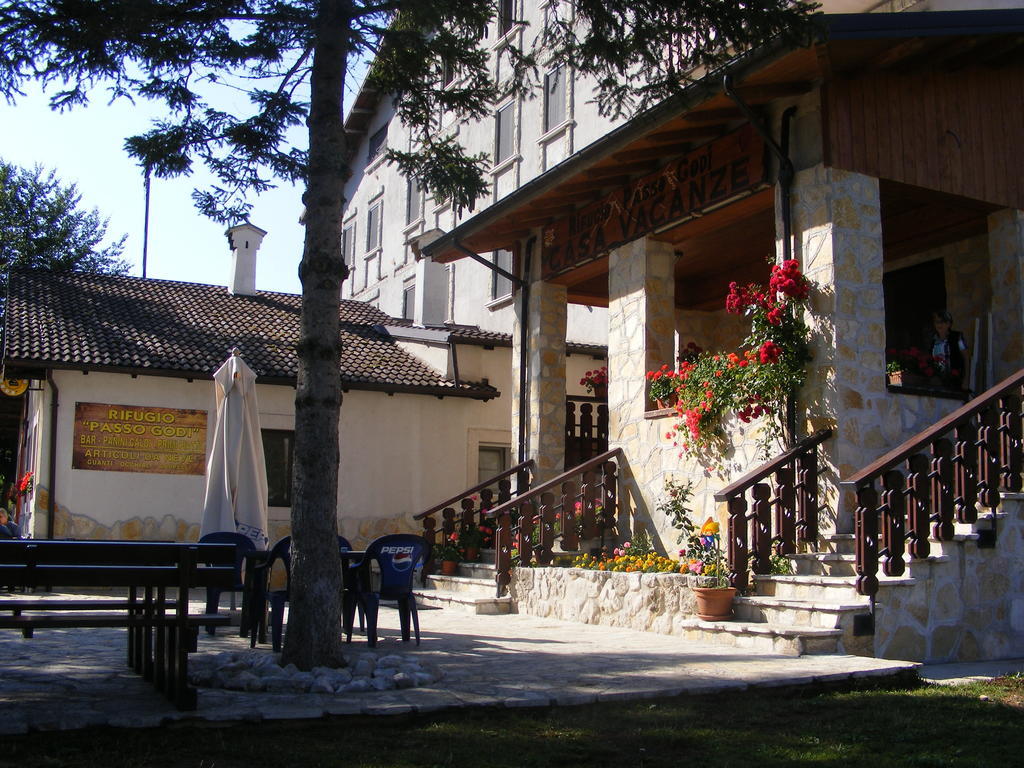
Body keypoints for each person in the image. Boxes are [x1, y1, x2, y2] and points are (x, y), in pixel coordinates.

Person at [929, 310, 969, 389]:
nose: (939, 325)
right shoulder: (933, 340)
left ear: (948, 324)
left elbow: (966, 358)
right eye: (937, 322)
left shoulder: (957, 337)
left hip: (954, 380)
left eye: (942, 322)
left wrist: (966, 379)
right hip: (937, 381)